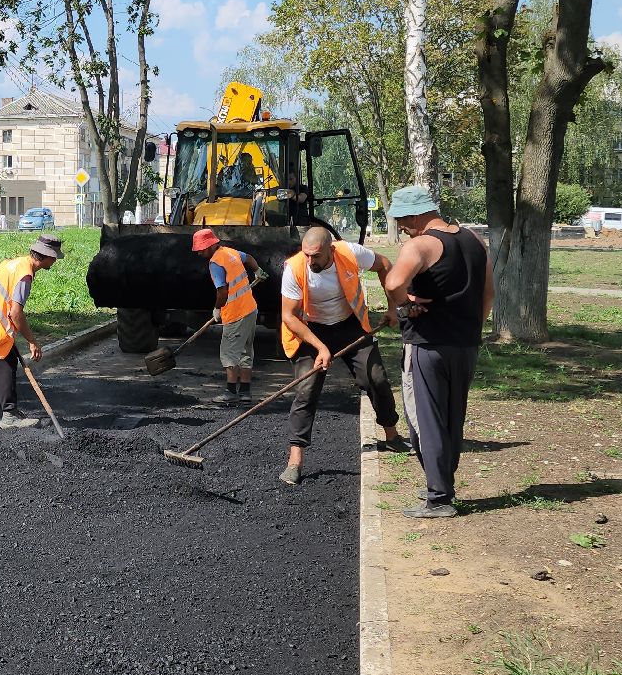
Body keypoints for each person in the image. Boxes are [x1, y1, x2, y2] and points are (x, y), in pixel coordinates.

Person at [383, 185, 493, 518]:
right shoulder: (475, 240)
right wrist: (471, 328)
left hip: (427, 345)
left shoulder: (421, 245)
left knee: (425, 420)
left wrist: (405, 305)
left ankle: (438, 498)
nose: (402, 227)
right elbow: (488, 294)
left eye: (402, 220)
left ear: (416, 216)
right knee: (452, 418)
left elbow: (393, 283)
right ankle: (441, 481)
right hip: (465, 345)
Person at [277, 226, 407, 486]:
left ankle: (392, 436)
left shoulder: (350, 252)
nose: (310, 261)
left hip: (350, 325)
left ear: (331, 249)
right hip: (310, 329)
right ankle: (295, 460)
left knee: (376, 379)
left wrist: (393, 307)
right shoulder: (294, 268)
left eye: (316, 256)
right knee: (306, 389)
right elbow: (288, 316)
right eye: (306, 254)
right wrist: (321, 347)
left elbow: (385, 265)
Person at [0, 233, 63, 429]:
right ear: (47, 256)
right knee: (6, 364)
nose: (55, 261)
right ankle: (9, 415)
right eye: (55, 257)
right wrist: (32, 341)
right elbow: (16, 313)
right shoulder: (25, 275)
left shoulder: (17, 262)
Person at [192, 228, 262, 405]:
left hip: (236, 313)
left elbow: (222, 292)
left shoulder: (215, 263)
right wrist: (258, 270)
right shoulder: (230, 252)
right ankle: (245, 392)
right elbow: (249, 258)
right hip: (250, 309)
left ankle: (231, 392)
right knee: (246, 352)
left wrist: (217, 308)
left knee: (229, 353)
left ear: (210, 245)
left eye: (201, 249)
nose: (199, 253)